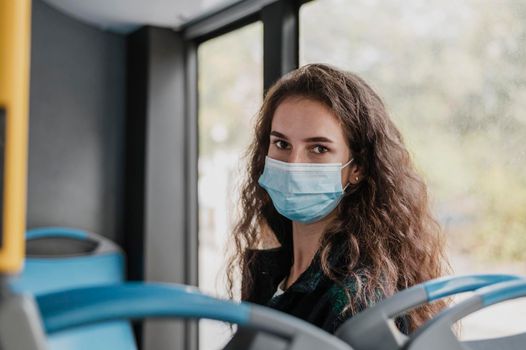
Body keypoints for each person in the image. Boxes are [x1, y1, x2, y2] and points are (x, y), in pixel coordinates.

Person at [226, 63, 450, 336]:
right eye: (282, 144)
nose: (294, 165)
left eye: (318, 149)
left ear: (357, 168)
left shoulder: (357, 298)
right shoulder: (270, 265)